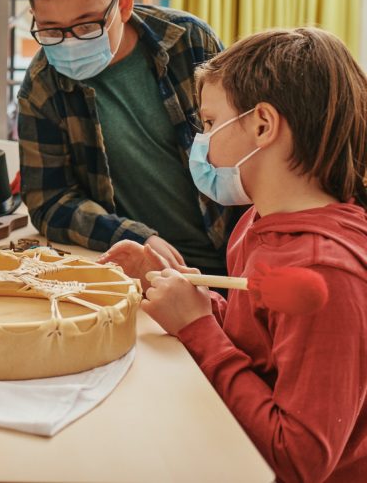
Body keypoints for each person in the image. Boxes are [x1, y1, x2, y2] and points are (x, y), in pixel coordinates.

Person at [104, 28, 367, 482]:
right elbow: (261, 338)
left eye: (208, 124)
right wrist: (179, 287)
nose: (201, 141)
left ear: (263, 125)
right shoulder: (256, 223)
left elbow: (298, 459)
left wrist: (197, 327)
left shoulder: (326, 271)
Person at [17, 0, 240, 275]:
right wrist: (135, 237)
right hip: (140, 273)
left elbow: (249, 153)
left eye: (85, 26)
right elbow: (49, 201)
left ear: (123, 5)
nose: (70, 44)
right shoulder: (43, 85)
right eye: (50, 30)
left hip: (234, 258)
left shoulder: (189, 42)